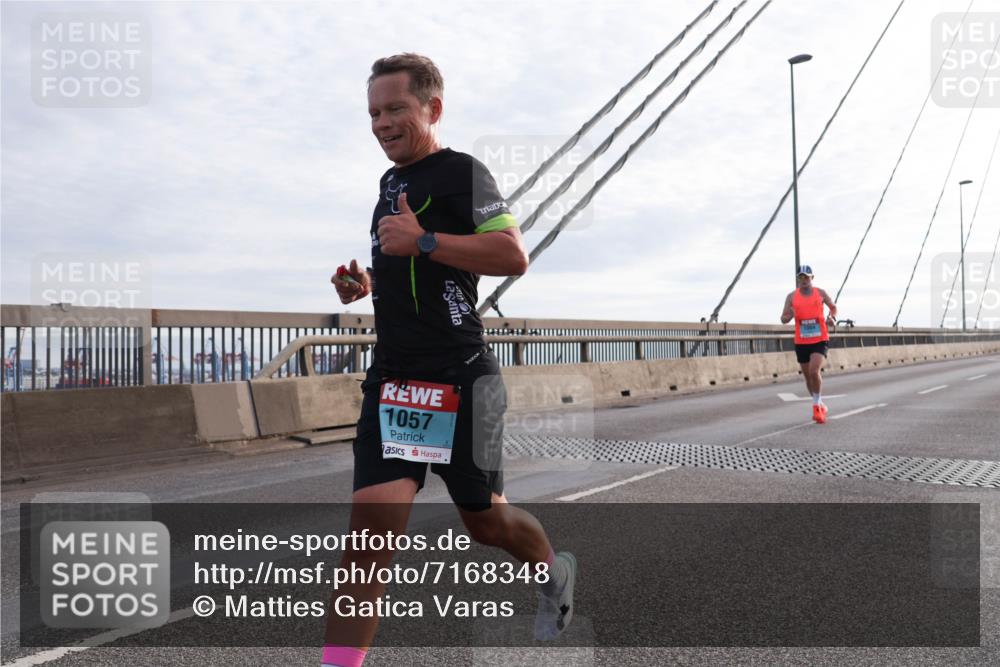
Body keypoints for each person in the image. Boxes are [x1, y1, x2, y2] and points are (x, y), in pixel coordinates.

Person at [323, 53, 576, 667]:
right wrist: (367, 287)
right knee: (368, 538)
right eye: (374, 113)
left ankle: (551, 572)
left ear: (432, 108)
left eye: (395, 110)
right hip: (396, 384)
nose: (381, 124)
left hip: (463, 380)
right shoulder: (388, 187)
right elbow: (422, 278)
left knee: (487, 524)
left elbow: (511, 255)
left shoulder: (464, 173)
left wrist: (424, 240)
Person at [780, 265, 837, 424]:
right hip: (801, 340)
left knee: (814, 371)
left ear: (812, 278)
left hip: (819, 338)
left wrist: (832, 318)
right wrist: (789, 315)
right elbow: (783, 318)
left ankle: (816, 406)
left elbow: (833, 308)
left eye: (807, 277)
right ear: (798, 279)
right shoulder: (791, 297)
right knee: (807, 377)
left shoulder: (820, 293)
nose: (804, 280)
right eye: (801, 277)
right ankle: (819, 403)